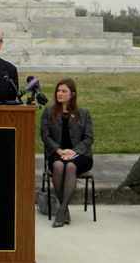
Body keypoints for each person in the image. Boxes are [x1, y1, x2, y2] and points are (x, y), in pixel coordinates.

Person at [40, 78, 94, 228]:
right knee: (58, 165)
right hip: (57, 153)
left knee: (70, 166)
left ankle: (62, 209)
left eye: (64, 91)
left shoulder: (83, 114)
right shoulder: (49, 112)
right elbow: (45, 135)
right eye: (58, 91)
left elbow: (89, 138)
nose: (60, 94)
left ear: (73, 94)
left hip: (80, 155)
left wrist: (74, 151)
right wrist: (59, 150)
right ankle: (65, 210)